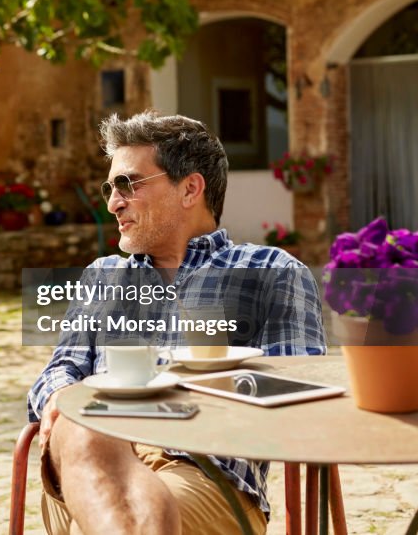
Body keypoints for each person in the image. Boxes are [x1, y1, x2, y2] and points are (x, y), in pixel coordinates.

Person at [28, 112, 326, 535]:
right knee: (83, 424)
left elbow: (298, 399)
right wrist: (63, 393)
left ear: (190, 188)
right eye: (110, 188)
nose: (113, 202)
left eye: (128, 184)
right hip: (84, 460)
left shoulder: (270, 272)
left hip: (200, 470)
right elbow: (58, 372)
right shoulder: (103, 276)